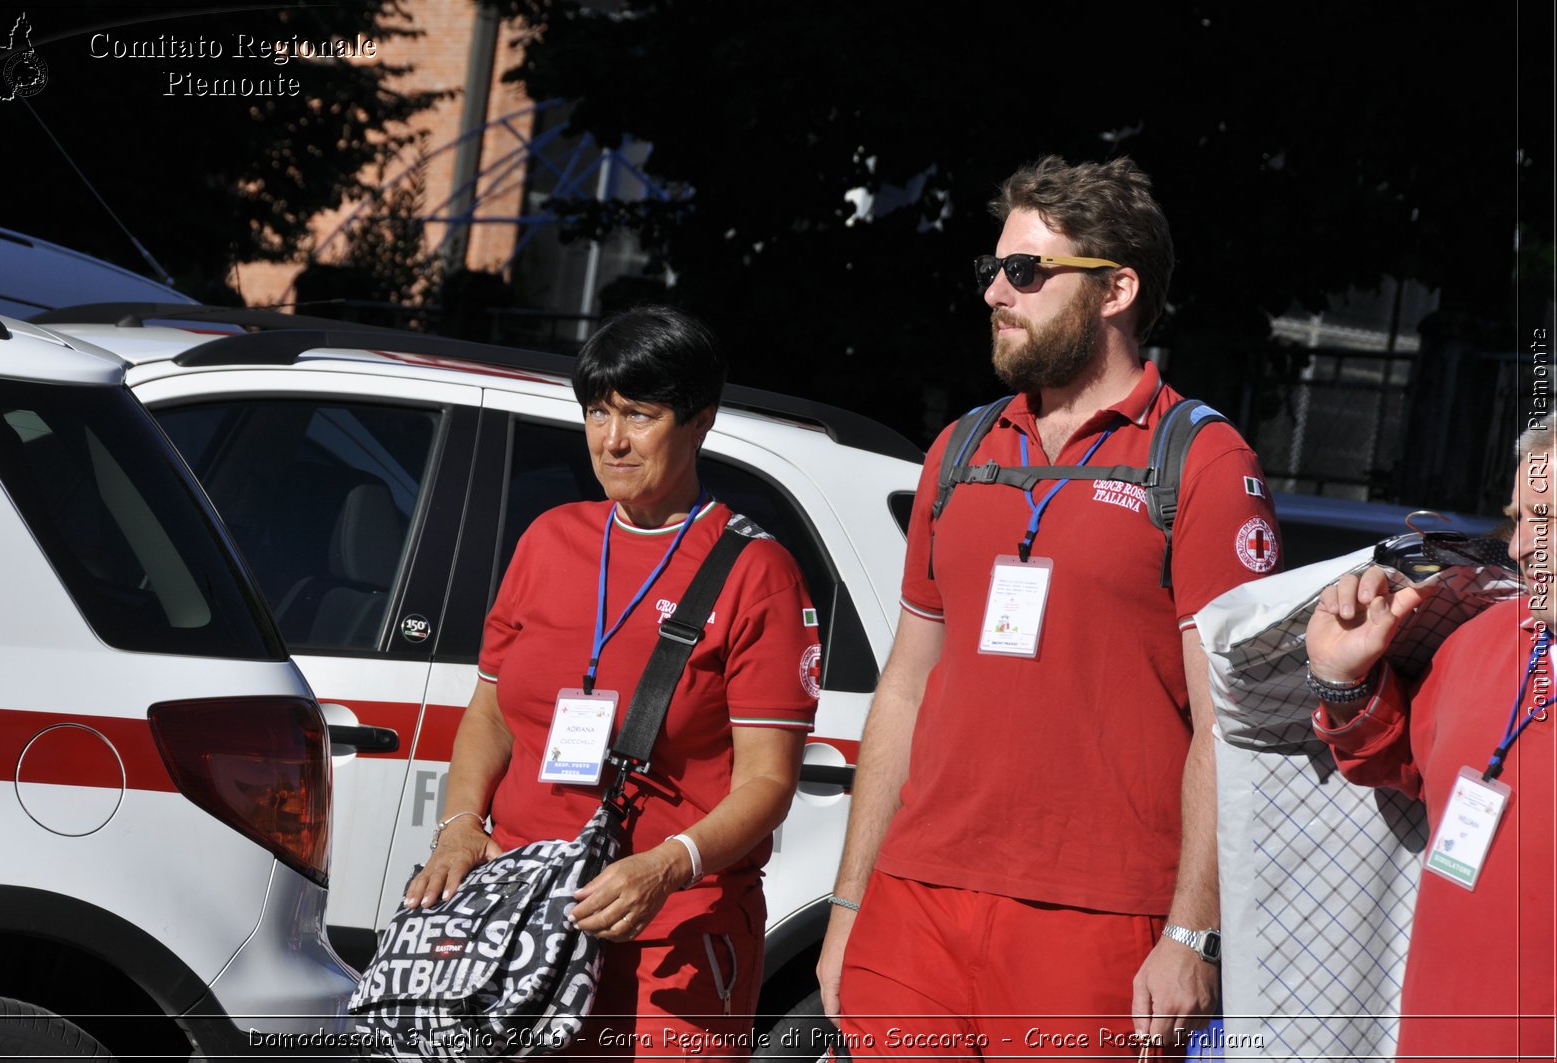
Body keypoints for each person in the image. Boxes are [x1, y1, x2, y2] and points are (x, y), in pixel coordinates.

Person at [818, 155, 1281, 1057]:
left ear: (1117, 289)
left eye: (1025, 271)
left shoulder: (1206, 463)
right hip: (914, 904)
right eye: (992, 268)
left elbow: (1233, 721)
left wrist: (1191, 935)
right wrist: (849, 902)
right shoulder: (959, 448)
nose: (996, 291)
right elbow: (905, 690)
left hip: (1100, 915)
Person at [404, 305, 820, 1058]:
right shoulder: (548, 538)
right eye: (598, 411)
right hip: (520, 919)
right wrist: (460, 823)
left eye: (639, 413)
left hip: (672, 929)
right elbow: (491, 713)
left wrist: (669, 864)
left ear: (699, 421)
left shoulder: (757, 571)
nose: (612, 439)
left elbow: (768, 781)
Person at [1305, 425, 1554, 1062]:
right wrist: (1342, 681)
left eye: (1545, 517)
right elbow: (1402, 761)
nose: (1521, 546)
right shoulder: (1491, 636)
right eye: (1517, 518)